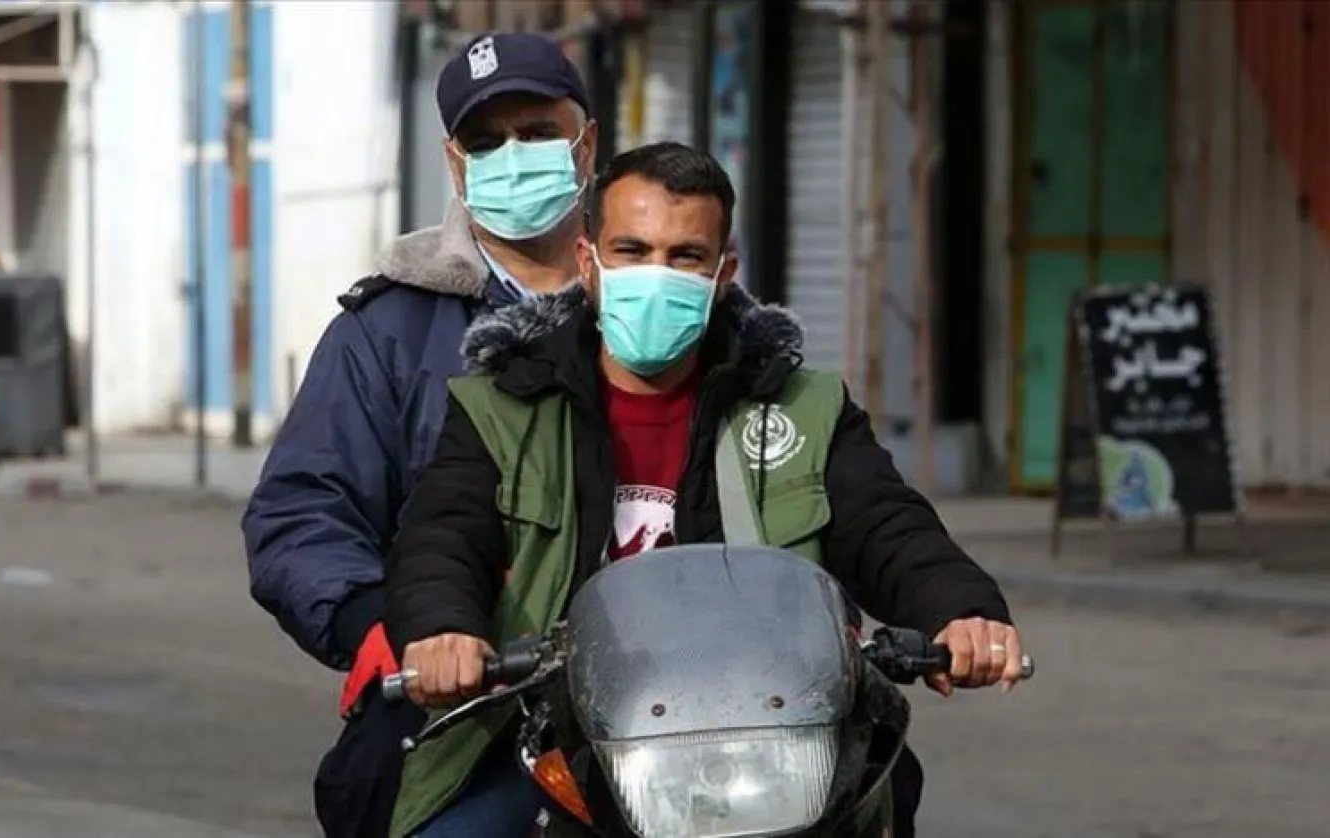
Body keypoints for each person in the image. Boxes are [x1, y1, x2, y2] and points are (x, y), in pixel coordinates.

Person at [383, 142, 1025, 838]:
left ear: (724, 274)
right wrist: (443, 632)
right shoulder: (503, 409)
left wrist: (961, 612)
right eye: (631, 249)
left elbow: (886, 523)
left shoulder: (800, 408)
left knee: (879, 797)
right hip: (559, 735)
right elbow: (444, 532)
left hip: (770, 732)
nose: (655, 276)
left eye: (685, 256)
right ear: (587, 263)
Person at [240, 32, 598, 838]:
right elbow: (302, 512)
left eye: (539, 132)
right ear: (454, 161)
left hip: (673, 708)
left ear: (588, 141)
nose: (515, 154)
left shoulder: (671, 307)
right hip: (474, 707)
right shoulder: (389, 333)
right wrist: (385, 625)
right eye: (486, 141)